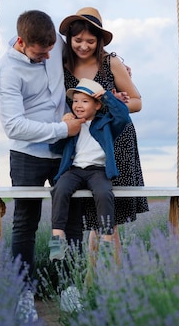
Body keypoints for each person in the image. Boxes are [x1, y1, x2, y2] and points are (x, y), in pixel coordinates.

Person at [0, 9, 85, 322]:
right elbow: (14, 126)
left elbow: (85, 49)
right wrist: (62, 129)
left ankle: (68, 288)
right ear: (21, 42)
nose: (47, 57)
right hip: (27, 155)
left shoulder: (55, 46)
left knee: (68, 222)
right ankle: (24, 295)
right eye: (39, 52)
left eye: (50, 51)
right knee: (25, 223)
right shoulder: (8, 69)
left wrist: (116, 68)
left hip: (64, 153)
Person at [59, 7, 149, 261]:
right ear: (69, 39)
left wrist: (106, 106)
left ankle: (109, 280)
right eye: (78, 40)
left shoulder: (112, 62)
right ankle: (95, 279)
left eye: (90, 41)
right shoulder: (62, 64)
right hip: (82, 147)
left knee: (110, 220)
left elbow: (137, 102)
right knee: (90, 217)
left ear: (99, 41)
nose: (84, 46)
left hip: (115, 142)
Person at [48, 78, 131, 263]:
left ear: (97, 106)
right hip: (75, 169)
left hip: (98, 170)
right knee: (59, 189)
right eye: (75, 101)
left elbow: (124, 117)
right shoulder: (73, 124)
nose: (78, 105)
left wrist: (107, 97)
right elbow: (54, 148)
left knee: (104, 193)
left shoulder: (106, 124)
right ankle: (57, 235)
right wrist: (64, 128)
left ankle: (107, 239)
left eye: (84, 101)